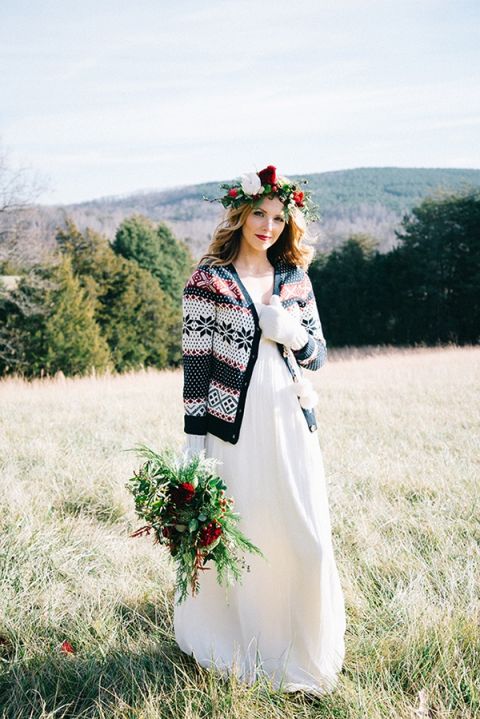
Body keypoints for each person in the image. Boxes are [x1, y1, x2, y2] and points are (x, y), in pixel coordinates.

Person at [174, 165, 346, 696]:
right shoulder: (209, 280)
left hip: (291, 421)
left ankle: (304, 647)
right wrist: (193, 441)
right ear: (241, 215)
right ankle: (243, 644)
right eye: (259, 215)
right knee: (247, 536)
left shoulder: (295, 277)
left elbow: (317, 354)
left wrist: (291, 332)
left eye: (277, 217)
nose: (267, 226)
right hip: (234, 430)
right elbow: (197, 365)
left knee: (308, 538)